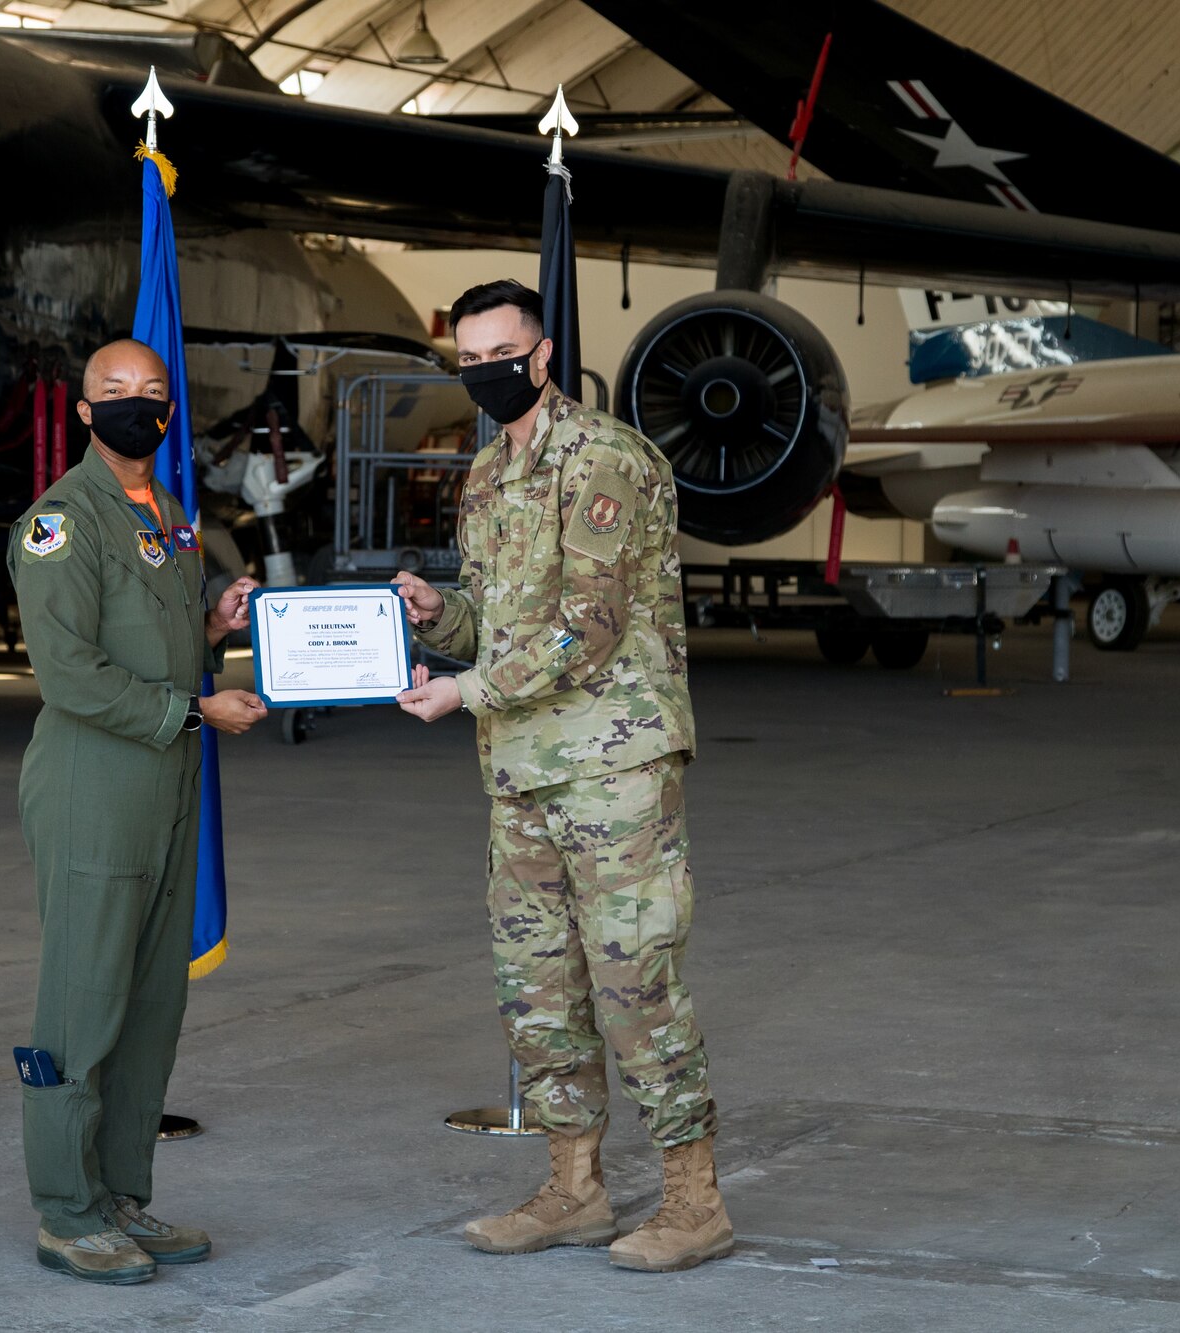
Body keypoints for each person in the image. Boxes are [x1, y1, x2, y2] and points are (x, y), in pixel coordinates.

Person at [392, 280, 730, 1273]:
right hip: (521, 772)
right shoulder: (488, 472)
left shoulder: (606, 460)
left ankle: (692, 1198)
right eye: (467, 360)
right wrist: (433, 618)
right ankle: (573, 1188)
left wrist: (465, 693)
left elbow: (587, 629)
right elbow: (494, 621)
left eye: (500, 352)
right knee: (536, 989)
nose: (484, 371)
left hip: (609, 763)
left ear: (540, 355)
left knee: (634, 985)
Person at [7, 337, 267, 1285]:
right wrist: (195, 709)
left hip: (166, 779)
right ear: (83, 412)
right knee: (83, 1001)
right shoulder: (62, 522)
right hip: (95, 778)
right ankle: (65, 1210)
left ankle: (119, 1194)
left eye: (152, 392)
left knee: (153, 997)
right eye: (114, 391)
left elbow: (159, 644)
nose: (135, 404)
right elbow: (69, 672)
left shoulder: (170, 519)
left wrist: (213, 631)